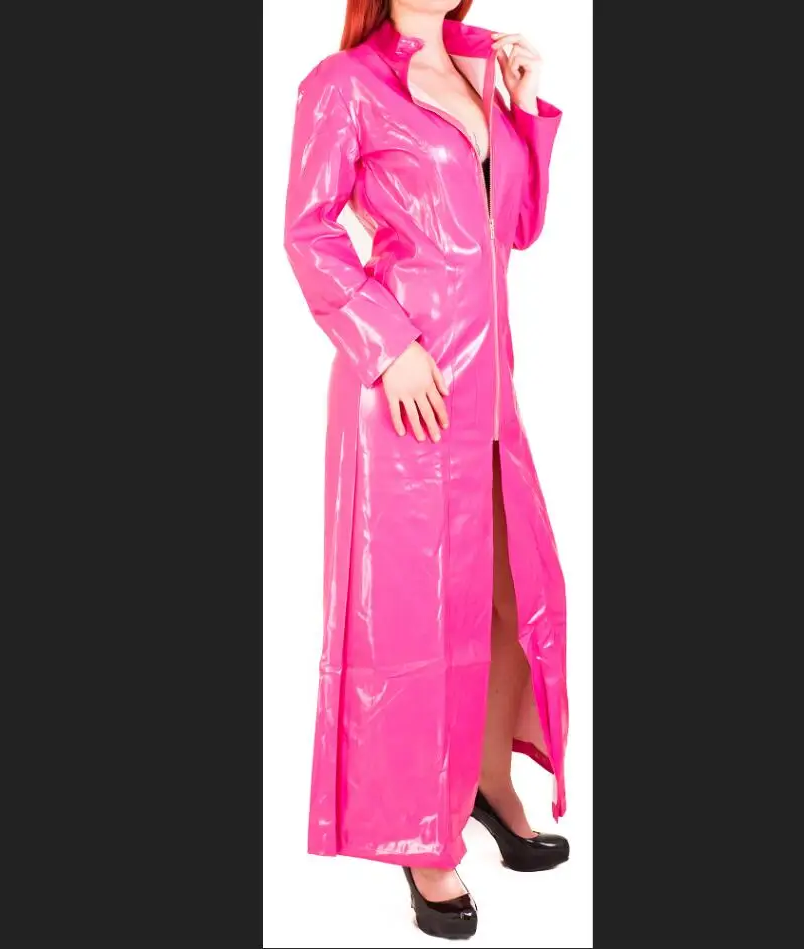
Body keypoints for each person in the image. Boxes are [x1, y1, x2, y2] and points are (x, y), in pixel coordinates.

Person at [284, 0, 568, 938]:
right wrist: (387, 344)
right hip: (407, 388)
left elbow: (514, 229)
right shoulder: (344, 84)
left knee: (510, 596)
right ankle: (420, 836)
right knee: (412, 622)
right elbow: (308, 231)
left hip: (490, 387)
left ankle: (485, 782)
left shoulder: (483, 66)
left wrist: (522, 106)